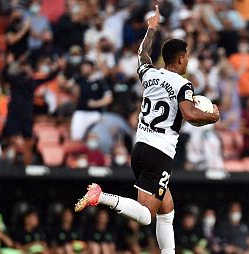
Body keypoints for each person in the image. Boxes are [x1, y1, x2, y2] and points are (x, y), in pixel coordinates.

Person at [74, 6, 220, 254]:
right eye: (187, 56)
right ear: (181, 58)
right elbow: (190, 114)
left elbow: (142, 54)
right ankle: (100, 196)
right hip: (159, 153)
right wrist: (213, 115)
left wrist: (151, 28)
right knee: (146, 216)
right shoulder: (183, 84)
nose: (189, 60)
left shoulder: (150, 75)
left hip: (140, 149)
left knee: (167, 211)